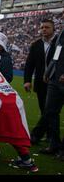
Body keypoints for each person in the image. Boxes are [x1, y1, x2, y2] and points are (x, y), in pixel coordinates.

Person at [24, 19, 55, 144]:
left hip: (55, 82)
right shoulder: (36, 44)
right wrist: (27, 80)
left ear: (53, 29)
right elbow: (29, 64)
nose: (44, 29)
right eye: (42, 27)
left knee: (50, 109)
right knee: (44, 109)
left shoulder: (59, 43)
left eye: (47, 27)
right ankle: (49, 135)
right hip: (40, 83)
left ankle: (39, 135)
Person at [41, 23, 64, 159]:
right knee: (50, 111)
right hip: (55, 79)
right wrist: (48, 71)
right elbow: (57, 55)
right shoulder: (61, 33)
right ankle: (54, 144)